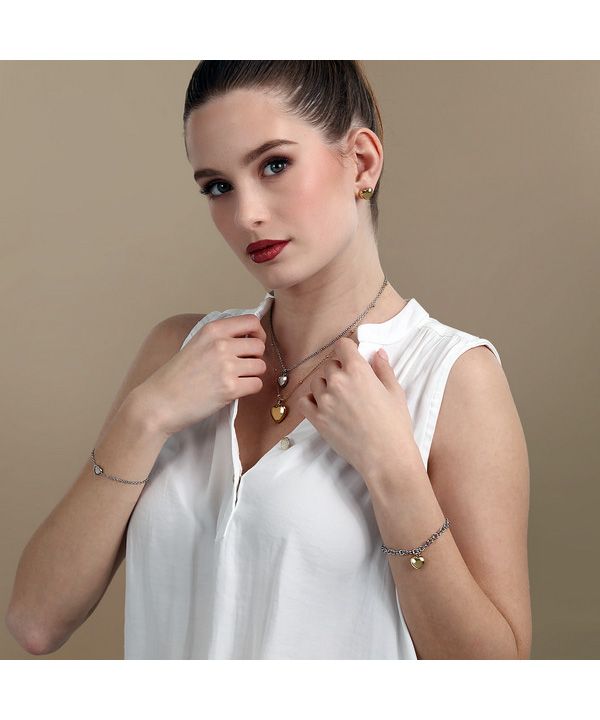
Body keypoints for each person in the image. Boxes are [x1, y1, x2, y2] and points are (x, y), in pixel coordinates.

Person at [6, 61, 531, 660]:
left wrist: (394, 475)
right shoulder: (177, 353)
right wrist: (145, 418)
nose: (246, 214)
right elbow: (35, 621)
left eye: (274, 165)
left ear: (361, 162)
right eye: (217, 186)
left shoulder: (452, 377)